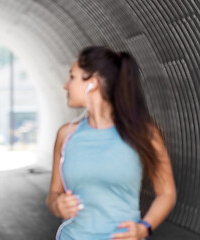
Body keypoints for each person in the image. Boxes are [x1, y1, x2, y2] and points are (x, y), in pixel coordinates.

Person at [47, 46, 176, 240]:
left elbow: (166, 193)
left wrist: (144, 228)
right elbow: (53, 194)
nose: (66, 86)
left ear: (92, 83)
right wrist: (57, 204)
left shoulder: (143, 133)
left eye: (72, 77)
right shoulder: (65, 135)